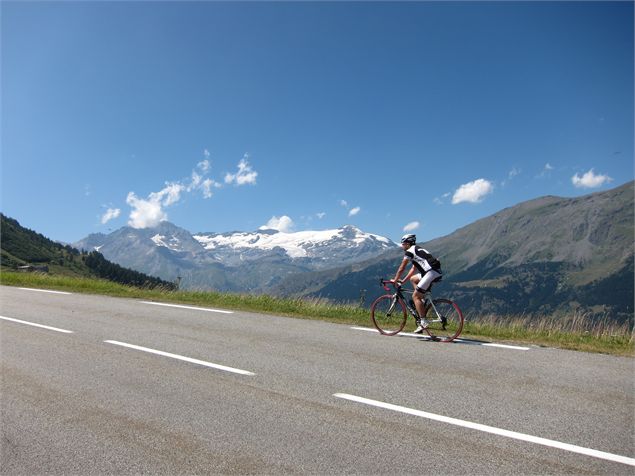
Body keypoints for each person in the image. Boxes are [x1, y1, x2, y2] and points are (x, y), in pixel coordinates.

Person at [393, 233, 442, 333]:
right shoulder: (417, 249)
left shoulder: (409, 252)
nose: (402, 246)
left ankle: (423, 322)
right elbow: (413, 268)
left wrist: (395, 279)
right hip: (434, 272)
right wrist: (403, 280)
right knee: (413, 279)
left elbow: (402, 268)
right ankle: (422, 301)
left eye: (403, 244)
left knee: (415, 297)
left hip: (430, 273)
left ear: (407, 243)